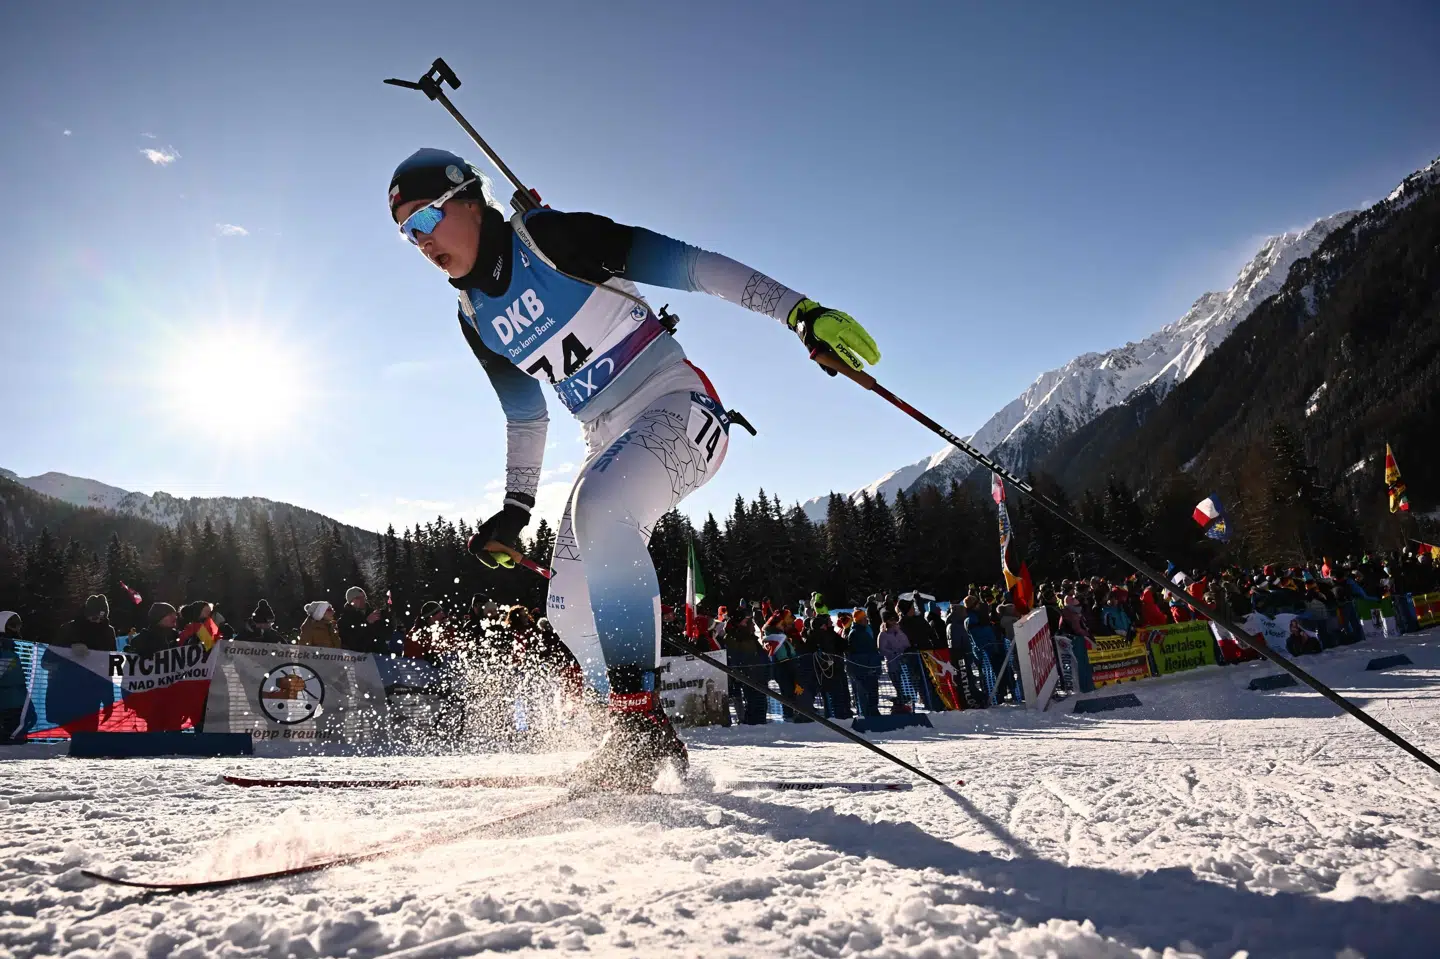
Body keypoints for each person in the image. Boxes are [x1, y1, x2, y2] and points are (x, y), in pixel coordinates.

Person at [387, 148, 882, 787]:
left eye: (425, 218)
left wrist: (799, 311)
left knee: (601, 510)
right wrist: (515, 510)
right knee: (566, 608)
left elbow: (693, 266)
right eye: (406, 233)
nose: (421, 242)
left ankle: (639, 725)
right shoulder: (473, 318)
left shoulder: (553, 238)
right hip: (606, 438)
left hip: (677, 405)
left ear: (470, 198)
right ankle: (630, 738)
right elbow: (526, 416)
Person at [1, 612, 29, 744]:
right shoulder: (4, 649)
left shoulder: (14, 646)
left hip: (18, 699)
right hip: (7, 701)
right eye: (13, 626)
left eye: (18, 626)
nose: (16, 630)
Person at [876, 609, 911, 711]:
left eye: (895, 619)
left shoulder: (900, 632)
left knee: (907, 687)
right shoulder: (883, 634)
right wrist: (894, 653)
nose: (894, 622)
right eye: (891, 620)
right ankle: (899, 707)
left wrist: (905, 651)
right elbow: (882, 650)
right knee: (898, 686)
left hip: (904, 664)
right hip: (892, 664)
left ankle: (906, 706)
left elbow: (906, 643)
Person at [337, 587, 386, 654]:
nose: (362, 600)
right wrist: (367, 623)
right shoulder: (345, 619)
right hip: (358, 658)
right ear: (351, 601)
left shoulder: (371, 613)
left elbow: (383, 636)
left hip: (377, 657)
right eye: (358, 598)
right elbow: (349, 640)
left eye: (363, 597)